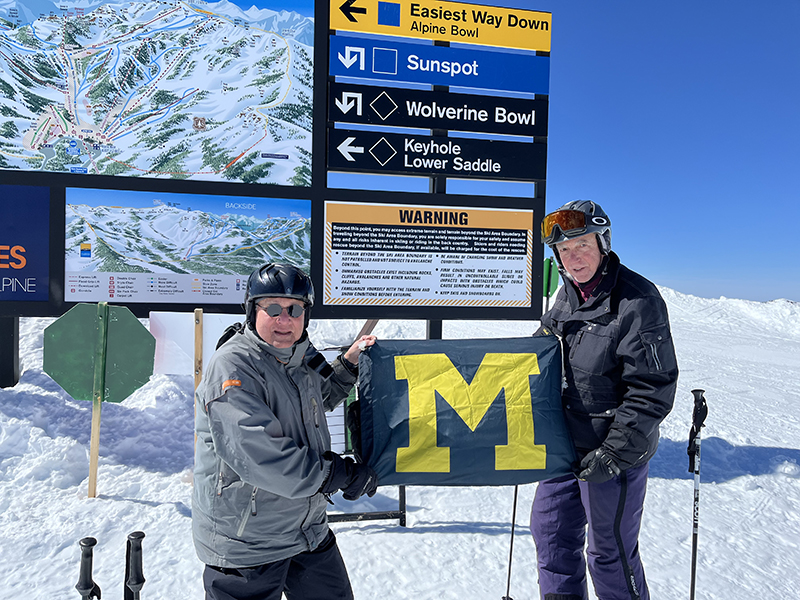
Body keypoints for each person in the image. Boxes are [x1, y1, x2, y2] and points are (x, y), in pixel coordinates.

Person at [192, 262, 378, 600]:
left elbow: (318, 398)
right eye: (273, 308)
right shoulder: (233, 367)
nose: (284, 319)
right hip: (248, 540)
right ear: (252, 310)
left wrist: (348, 363)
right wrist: (338, 474)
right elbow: (261, 456)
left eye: (294, 309)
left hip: (306, 530)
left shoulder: (299, 356)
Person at [530, 201, 679, 600]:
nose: (573, 258)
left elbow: (653, 387)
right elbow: (542, 353)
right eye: (564, 250)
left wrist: (613, 453)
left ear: (602, 242)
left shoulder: (637, 300)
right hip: (564, 446)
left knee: (610, 554)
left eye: (581, 245)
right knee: (551, 537)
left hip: (613, 452)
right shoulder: (566, 297)